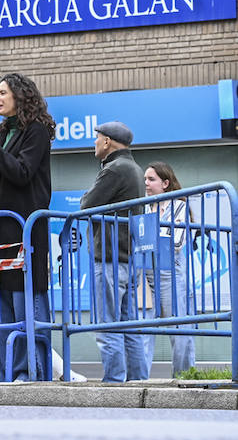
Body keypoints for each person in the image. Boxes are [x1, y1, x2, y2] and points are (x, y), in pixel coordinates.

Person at [0, 73, 54, 382]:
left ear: (20, 96)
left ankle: (30, 371)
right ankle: (4, 371)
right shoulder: (3, 132)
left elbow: (21, 174)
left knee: (25, 309)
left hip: (23, 233)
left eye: (3, 92)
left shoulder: (37, 132)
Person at [79, 120, 147, 382]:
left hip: (108, 258)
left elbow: (86, 205)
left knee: (107, 326)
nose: (94, 142)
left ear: (107, 141)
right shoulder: (134, 168)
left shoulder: (114, 169)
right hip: (128, 259)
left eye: (97, 138)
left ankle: (115, 381)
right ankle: (137, 379)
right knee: (129, 327)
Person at [141, 161, 197, 377]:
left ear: (165, 183)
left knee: (178, 328)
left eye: (151, 179)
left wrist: (150, 238)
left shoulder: (178, 206)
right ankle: (139, 377)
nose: (146, 183)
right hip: (145, 270)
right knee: (143, 328)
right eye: (145, 178)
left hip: (169, 271)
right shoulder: (145, 205)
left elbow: (177, 241)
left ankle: (183, 377)